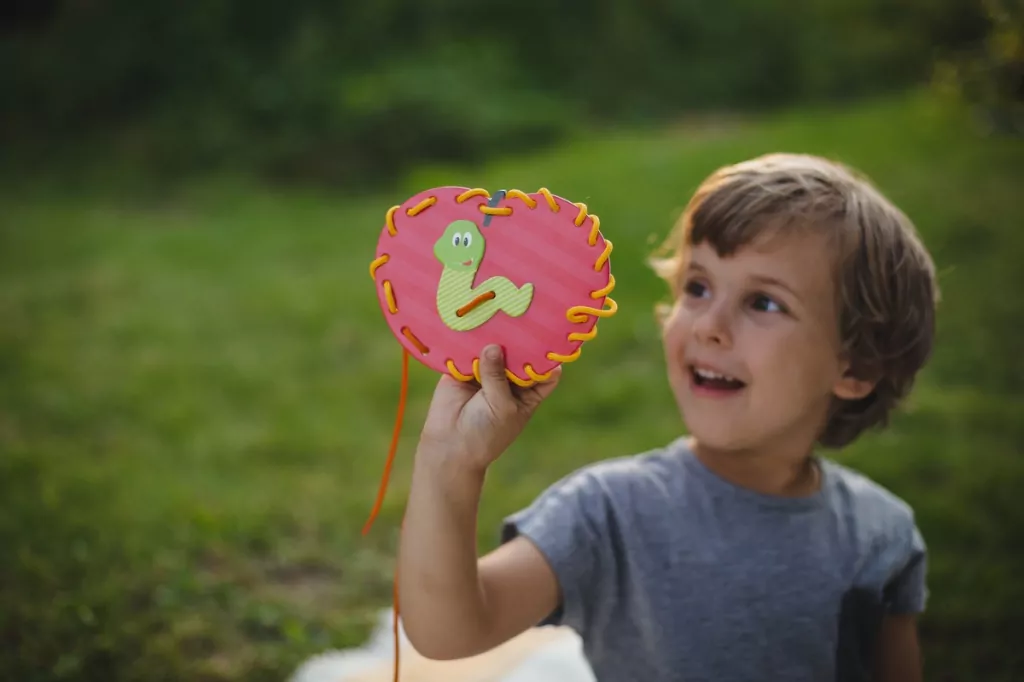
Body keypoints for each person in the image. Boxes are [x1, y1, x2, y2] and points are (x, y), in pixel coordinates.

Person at [395, 153, 940, 682]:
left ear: (856, 367)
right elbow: (449, 632)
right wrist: (451, 462)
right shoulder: (609, 513)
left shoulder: (879, 534)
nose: (708, 325)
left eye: (764, 303)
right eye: (697, 287)